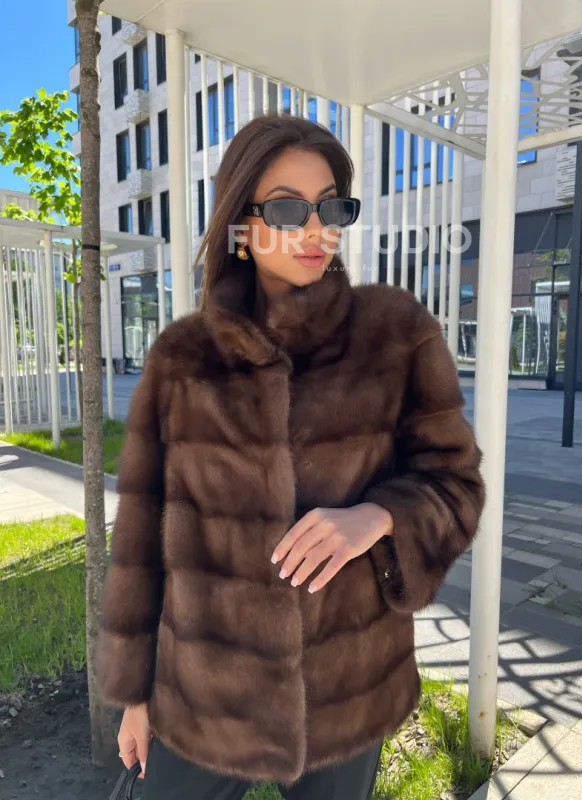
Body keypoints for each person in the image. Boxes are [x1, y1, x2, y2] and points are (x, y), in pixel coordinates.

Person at [96, 113, 485, 800]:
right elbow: (140, 541)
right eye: (285, 208)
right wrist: (135, 692)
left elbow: (455, 483)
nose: (315, 229)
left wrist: (377, 517)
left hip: (345, 687)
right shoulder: (183, 359)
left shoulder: (395, 337)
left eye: (331, 207)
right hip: (203, 688)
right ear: (240, 224)